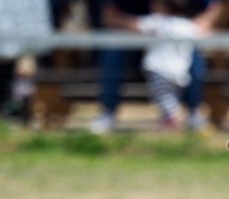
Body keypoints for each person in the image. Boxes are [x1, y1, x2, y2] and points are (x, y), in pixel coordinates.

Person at [89, 0, 221, 133]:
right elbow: (108, 16)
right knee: (114, 51)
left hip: (170, 59)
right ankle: (108, 112)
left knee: (192, 61)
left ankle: (192, 113)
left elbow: (213, 10)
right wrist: (145, 27)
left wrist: (193, 26)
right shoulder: (154, 21)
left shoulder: (174, 23)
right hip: (134, 41)